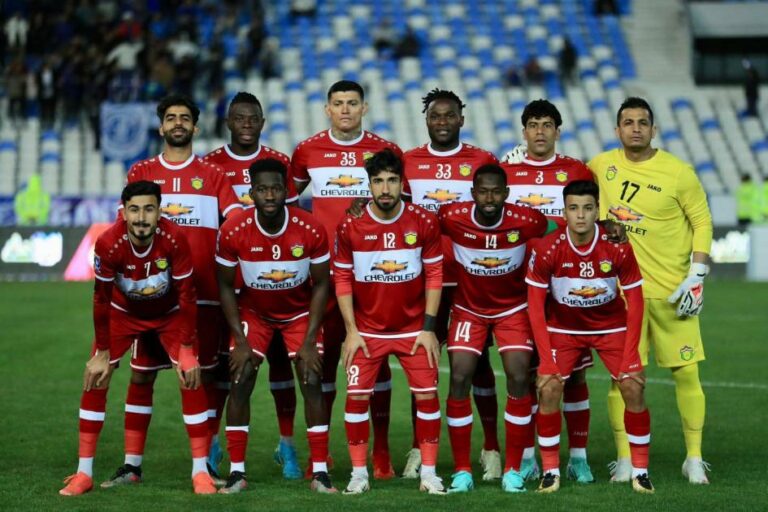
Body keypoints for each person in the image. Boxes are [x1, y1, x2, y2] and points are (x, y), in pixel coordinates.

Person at [109, 94, 241, 486]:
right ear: (161, 126)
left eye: (185, 118)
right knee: (141, 377)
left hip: (204, 295)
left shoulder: (213, 174)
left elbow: (236, 219)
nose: (178, 123)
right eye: (171, 117)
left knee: (205, 377)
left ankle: (206, 463)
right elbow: (123, 225)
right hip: (151, 298)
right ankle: (132, 465)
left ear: (195, 127)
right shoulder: (142, 171)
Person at [59, 181, 216, 496]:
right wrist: (102, 351)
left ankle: (200, 472)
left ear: (159, 212)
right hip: (123, 313)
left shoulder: (174, 238)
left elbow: (187, 294)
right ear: (124, 212)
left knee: (190, 377)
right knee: (96, 377)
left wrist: (187, 347)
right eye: (134, 210)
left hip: (170, 313)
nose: (141, 217)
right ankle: (84, 473)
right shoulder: (108, 243)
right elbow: (101, 298)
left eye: (148, 209)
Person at [588, 97, 713, 484]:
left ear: (653, 129)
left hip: (672, 293)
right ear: (617, 130)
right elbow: (567, 186)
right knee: (621, 378)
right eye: (628, 122)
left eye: (643, 122)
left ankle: (694, 458)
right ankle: (625, 458)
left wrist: (697, 274)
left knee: (687, 374)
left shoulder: (678, 172)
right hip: (622, 296)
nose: (636, 128)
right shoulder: (600, 166)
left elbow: (702, 222)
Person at [292, 80, 403, 479]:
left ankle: (382, 453)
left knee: (378, 364)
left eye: (352, 103)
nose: (345, 109)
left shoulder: (385, 152)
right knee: (321, 365)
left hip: (372, 274)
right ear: (327, 109)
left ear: (364, 108)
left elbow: (400, 204)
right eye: (337, 103)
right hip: (323, 276)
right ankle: (319, 456)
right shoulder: (307, 151)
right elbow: (285, 203)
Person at [215, 158, 336, 494]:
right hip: (255, 313)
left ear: (287, 191)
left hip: (299, 313)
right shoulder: (233, 230)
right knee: (240, 376)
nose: (269, 195)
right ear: (251, 192)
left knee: (312, 378)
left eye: (276, 189)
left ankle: (320, 472)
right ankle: (237, 472)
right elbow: (225, 286)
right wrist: (239, 340)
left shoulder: (310, 228)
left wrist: (309, 340)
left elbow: (322, 284)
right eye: (262, 189)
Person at [526, 180, 653, 494]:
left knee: (633, 386)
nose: (580, 215)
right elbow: (535, 307)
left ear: (598, 211)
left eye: (587, 208)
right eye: (573, 208)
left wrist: (632, 354)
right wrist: (546, 361)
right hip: (563, 330)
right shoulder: (548, 248)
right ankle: (551, 471)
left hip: (611, 328)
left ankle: (640, 472)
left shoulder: (617, 246)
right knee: (549, 388)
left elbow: (636, 301)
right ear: (564, 213)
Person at [401, 88, 502, 480]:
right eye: (435, 115)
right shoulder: (409, 161)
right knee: (421, 365)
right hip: (422, 281)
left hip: (468, 282)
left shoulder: (482, 161)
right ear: (426, 120)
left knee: (478, 366)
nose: (442, 121)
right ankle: (418, 447)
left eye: (449, 115)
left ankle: (491, 448)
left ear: (462, 118)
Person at [204, 91, 303, 479]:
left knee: (281, 365)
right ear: (228, 122)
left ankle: (287, 445)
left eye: (253, 118)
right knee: (224, 366)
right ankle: (213, 442)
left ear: (262, 122)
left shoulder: (279, 162)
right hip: (228, 281)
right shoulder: (210, 164)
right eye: (239, 118)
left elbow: (293, 220)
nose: (246, 124)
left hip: (273, 284)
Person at [334, 149, 445, 495]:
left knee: (427, 398)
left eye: (392, 180)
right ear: (368, 185)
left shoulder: (423, 221)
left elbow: (435, 275)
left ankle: (429, 474)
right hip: (366, 331)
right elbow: (342, 279)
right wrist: (351, 331)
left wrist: (429, 328)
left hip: (415, 331)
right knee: (356, 400)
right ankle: (358, 474)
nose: (385, 188)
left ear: (402, 182)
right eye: (378, 181)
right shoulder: (350, 225)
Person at [501, 99, 600, 483]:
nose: (539, 131)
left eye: (546, 125)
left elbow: (593, 220)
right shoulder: (507, 172)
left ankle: (578, 457)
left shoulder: (577, 171)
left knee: (573, 377)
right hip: (518, 287)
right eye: (533, 125)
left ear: (558, 131)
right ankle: (527, 457)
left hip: (566, 292)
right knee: (525, 374)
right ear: (523, 131)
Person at [439, 164, 549, 493]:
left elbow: (561, 228)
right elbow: (414, 221)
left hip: (512, 310)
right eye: (483, 192)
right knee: (460, 377)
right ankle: (462, 471)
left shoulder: (528, 220)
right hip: (468, 310)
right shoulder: (451, 216)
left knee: (518, 375)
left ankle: (513, 469)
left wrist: (602, 226)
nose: (489, 198)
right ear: (473, 193)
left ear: (506, 193)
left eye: (496, 192)